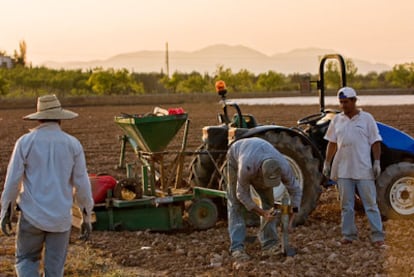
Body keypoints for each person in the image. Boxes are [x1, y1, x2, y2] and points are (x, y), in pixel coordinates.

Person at [0, 94, 94, 276]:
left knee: (26, 260)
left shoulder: (25, 142)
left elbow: (12, 182)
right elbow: (82, 184)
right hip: (60, 218)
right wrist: (86, 216)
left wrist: (6, 212)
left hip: (31, 215)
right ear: (60, 118)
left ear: (39, 117)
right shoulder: (73, 144)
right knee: (54, 270)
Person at [323, 87, 385, 248]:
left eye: (346, 102)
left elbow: (375, 141)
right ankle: (348, 235)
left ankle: (377, 236)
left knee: (370, 204)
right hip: (343, 169)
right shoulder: (337, 120)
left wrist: (376, 162)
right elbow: (332, 142)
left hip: (363, 169)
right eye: (341, 102)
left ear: (354, 101)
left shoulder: (366, 119)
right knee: (346, 205)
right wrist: (327, 162)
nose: (343, 105)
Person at [226, 137, 302, 260]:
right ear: (260, 172)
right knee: (235, 204)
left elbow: (296, 190)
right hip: (236, 156)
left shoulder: (283, 166)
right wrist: (262, 213)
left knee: (269, 204)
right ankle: (237, 248)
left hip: (258, 154)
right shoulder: (246, 166)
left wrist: (292, 218)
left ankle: (269, 244)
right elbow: (241, 194)